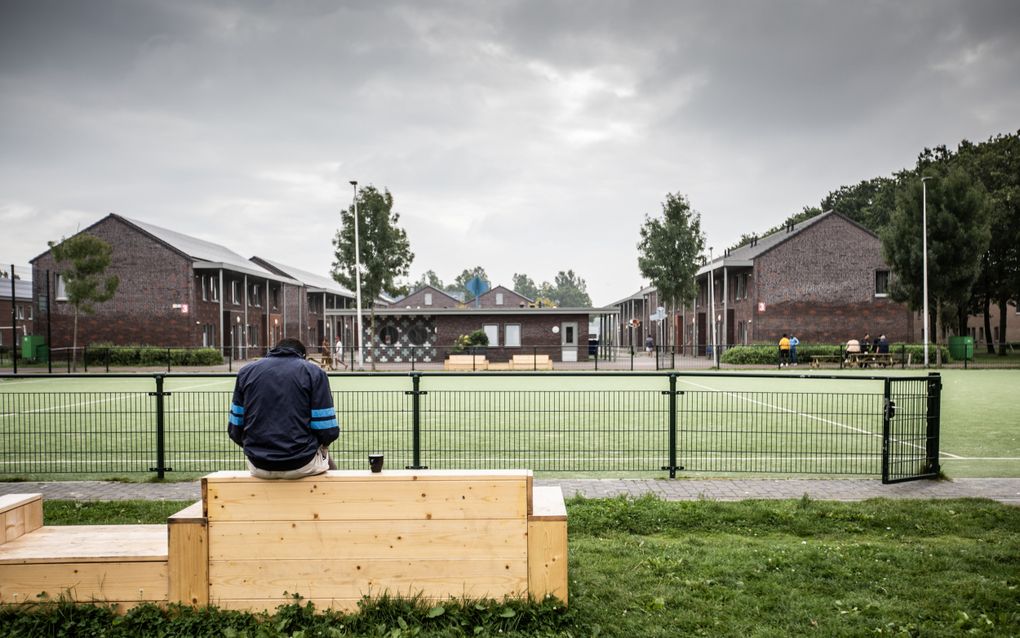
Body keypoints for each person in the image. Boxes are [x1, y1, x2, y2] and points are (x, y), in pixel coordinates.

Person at [228, 338, 339, 479]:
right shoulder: (314, 373)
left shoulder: (246, 372)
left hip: (259, 464)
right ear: (303, 356)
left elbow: (234, 429)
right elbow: (328, 430)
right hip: (302, 462)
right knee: (329, 465)